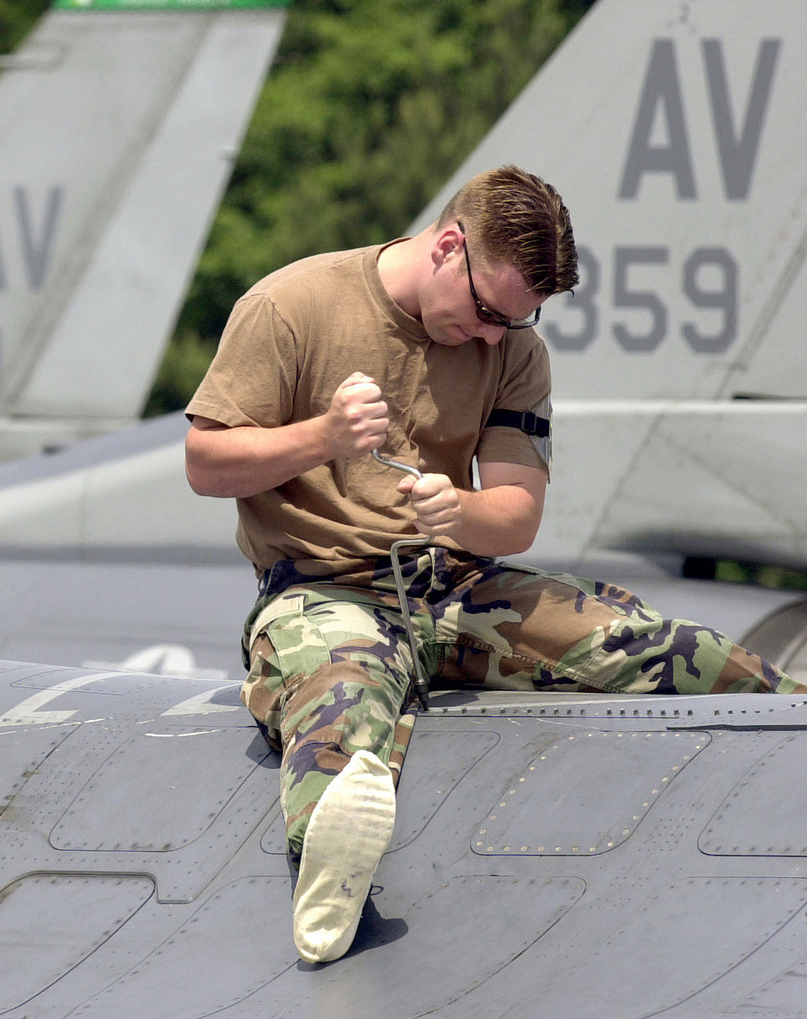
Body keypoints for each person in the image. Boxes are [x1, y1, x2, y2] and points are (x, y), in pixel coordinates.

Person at [182, 164, 807, 965]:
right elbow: (206, 464)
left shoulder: (515, 348)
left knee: (679, 653)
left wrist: (463, 512)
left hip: (457, 588)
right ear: (449, 247)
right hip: (326, 591)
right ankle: (330, 877)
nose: (488, 336)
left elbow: (516, 514)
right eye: (484, 312)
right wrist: (321, 438)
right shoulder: (292, 307)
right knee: (343, 710)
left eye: (513, 321)